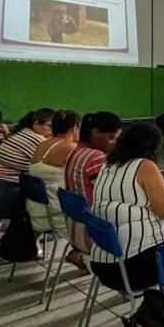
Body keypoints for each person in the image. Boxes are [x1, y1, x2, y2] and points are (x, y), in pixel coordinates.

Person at [91, 122, 164, 291]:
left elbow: (133, 191)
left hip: (103, 264)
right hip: (132, 269)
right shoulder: (145, 166)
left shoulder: (107, 165)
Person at [63, 111, 122, 269]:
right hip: (95, 234)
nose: (114, 143)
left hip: (75, 228)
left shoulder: (75, 152)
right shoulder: (96, 157)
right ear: (94, 132)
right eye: (111, 137)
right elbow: (115, 193)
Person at [0, 108, 55, 221]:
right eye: (50, 126)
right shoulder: (37, 139)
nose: (53, 130)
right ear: (36, 124)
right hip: (4, 191)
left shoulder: (23, 133)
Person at [26, 110, 80, 235]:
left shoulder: (42, 144)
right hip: (56, 212)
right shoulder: (71, 147)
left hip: (36, 210)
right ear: (75, 128)